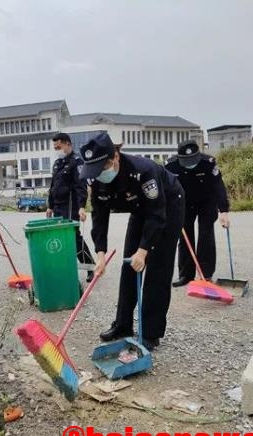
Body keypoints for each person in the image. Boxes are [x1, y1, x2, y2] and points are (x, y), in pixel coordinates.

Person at [79, 132, 184, 351]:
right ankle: (123, 324)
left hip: (168, 206)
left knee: (157, 268)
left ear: (115, 156)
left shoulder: (144, 171)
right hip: (140, 211)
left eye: (102, 168)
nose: (98, 175)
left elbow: (157, 214)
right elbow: (99, 217)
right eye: (94, 171)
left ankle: (151, 332)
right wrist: (100, 255)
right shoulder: (96, 180)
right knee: (130, 265)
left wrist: (144, 250)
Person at [165, 140, 230, 287]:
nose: (190, 164)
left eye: (192, 160)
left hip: (206, 202)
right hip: (184, 204)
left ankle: (205, 274)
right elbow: (166, 189)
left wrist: (224, 210)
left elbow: (218, 186)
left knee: (206, 235)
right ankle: (186, 275)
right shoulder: (170, 165)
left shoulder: (209, 162)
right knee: (185, 237)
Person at [47, 132, 96, 283]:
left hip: (70, 207)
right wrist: (50, 206)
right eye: (55, 147)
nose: (57, 149)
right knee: (60, 238)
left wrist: (81, 206)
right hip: (57, 207)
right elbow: (53, 186)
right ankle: (64, 268)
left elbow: (81, 186)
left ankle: (90, 267)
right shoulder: (57, 163)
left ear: (68, 144)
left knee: (73, 237)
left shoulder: (77, 162)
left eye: (59, 146)